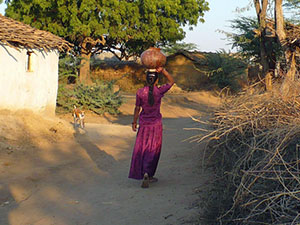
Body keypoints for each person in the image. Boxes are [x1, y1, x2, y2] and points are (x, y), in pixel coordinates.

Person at [128, 67, 174, 188]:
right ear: (156, 80)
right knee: (153, 149)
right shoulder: (159, 91)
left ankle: (143, 172)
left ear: (146, 79)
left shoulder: (140, 92)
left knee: (142, 148)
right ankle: (148, 173)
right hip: (156, 125)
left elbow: (137, 108)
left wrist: (134, 122)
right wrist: (163, 70)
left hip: (144, 125)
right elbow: (171, 82)